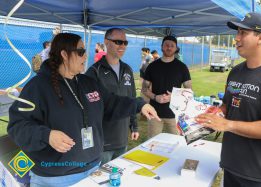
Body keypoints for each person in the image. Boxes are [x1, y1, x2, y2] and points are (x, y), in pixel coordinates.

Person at [7, 33, 159, 187]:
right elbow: (17, 126)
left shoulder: (88, 82)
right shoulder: (37, 87)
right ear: (64, 54)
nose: (85, 57)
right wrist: (47, 135)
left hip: (93, 170)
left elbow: (111, 102)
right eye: (80, 52)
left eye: (85, 51)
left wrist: (139, 105)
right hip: (56, 178)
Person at [195, 12, 261, 187]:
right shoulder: (236, 71)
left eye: (243, 33)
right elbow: (228, 106)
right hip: (231, 165)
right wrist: (209, 116)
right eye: (237, 33)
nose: (236, 38)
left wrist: (227, 124)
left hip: (260, 173)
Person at [86, 28, 138, 165]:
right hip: (103, 143)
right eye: (118, 42)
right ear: (106, 42)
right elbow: (89, 109)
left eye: (125, 42)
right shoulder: (94, 72)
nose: (122, 46)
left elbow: (131, 98)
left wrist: (134, 126)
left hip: (122, 140)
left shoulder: (127, 69)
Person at [142, 35, 192, 138]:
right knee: (152, 145)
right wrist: (156, 97)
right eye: (166, 45)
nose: (169, 48)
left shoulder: (182, 67)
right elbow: (144, 89)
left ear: (176, 48)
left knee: (177, 144)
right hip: (154, 113)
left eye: (172, 46)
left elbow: (189, 91)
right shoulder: (152, 66)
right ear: (161, 47)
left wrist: (174, 96)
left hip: (175, 115)